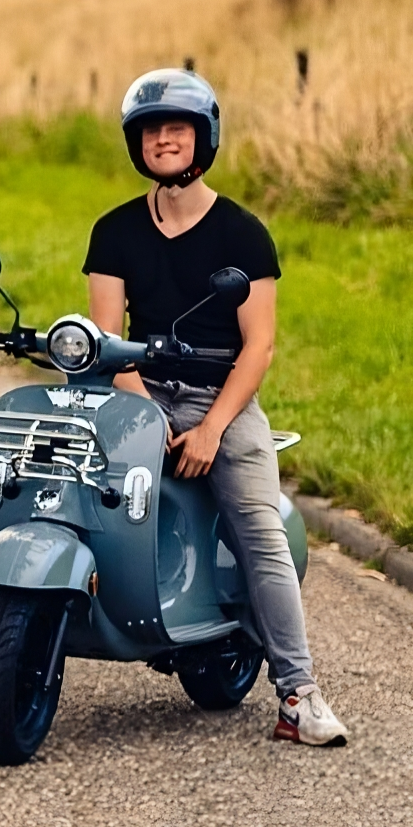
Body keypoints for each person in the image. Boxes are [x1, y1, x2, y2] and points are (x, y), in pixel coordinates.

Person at [85, 70, 346, 745]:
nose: (163, 139)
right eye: (151, 129)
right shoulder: (113, 232)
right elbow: (113, 345)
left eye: (177, 128)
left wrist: (210, 428)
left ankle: (299, 694)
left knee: (258, 528)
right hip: (136, 388)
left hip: (221, 396)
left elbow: (258, 348)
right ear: (135, 144)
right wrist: (148, 413)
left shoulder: (243, 234)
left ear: (204, 138)